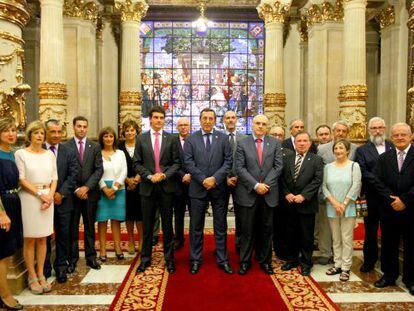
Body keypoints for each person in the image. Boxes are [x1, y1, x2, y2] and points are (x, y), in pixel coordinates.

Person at [184, 108, 233, 274]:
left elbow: (228, 161)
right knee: (196, 227)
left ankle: (222, 259)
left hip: (219, 189)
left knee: (220, 226)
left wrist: (215, 179)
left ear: (215, 120)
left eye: (210, 118)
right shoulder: (191, 139)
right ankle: (196, 260)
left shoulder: (223, 138)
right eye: (204, 118)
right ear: (200, 120)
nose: (207, 121)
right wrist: (203, 179)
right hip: (198, 188)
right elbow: (188, 162)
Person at [134, 106, 180, 274]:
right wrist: (149, 176)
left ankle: (169, 260)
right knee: (148, 226)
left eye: (161, 118)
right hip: (147, 188)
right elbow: (136, 163)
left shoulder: (172, 139)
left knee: (168, 226)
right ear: (150, 119)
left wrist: (164, 175)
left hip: (166, 187)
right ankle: (145, 259)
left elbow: (177, 162)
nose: (159, 120)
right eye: (156, 117)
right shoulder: (141, 139)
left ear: (164, 120)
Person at [235, 114, 283, 275]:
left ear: (267, 127)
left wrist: (265, 185)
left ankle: (265, 262)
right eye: (257, 123)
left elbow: (278, 167)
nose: (261, 126)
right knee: (247, 231)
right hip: (248, 193)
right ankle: (245, 262)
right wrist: (256, 185)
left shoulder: (275, 143)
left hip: (268, 194)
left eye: (264, 124)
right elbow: (240, 168)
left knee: (267, 230)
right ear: (252, 125)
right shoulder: (242, 143)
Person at [15, 121, 58, 294]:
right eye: (36, 133)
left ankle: (41, 274)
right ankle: (31, 276)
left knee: (43, 238)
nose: (40, 136)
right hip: (30, 198)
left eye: (42, 133)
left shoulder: (49, 155)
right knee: (30, 238)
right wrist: (41, 195)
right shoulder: (21, 154)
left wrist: (50, 197)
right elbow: (22, 179)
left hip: (48, 198)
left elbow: (54, 178)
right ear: (30, 135)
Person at [373, 123, 414, 296]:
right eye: (396, 135)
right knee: (389, 243)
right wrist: (393, 199)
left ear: (411, 136)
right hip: (389, 209)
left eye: (403, 134)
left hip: (412, 209)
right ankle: (389, 276)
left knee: (412, 246)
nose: (399, 137)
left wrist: (404, 200)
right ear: (391, 137)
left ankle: (411, 280)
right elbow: (377, 181)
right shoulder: (384, 158)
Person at [281, 132, 323, 276]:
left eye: (305, 140)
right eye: (299, 141)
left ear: (310, 143)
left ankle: (306, 262)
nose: (302, 143)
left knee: (306, 235)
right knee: (289, 233)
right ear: (295, 143)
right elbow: (282, 178)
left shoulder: (317, 160)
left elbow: (317, 180)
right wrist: (287, 193)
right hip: (289, 203)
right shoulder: (287, 158)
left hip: (307, 204)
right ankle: (291, 260)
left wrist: (304, 196)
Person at [355, 117, 393, 272]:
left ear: (385, 128)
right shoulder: (362, 150)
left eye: (380, 127)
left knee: (389, 232)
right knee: (370, 231)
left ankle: (387, 263)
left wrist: (388, 191)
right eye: (374, 128)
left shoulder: (393, 146)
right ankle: (369, 261)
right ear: (368, 130)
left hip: (391, 197)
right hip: (370, 197)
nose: (377, 131)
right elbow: (363, 172)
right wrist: (382, 187)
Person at [316, 120, 357, 265]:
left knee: (345, 233)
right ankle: (326, 252)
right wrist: (325, 194)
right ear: (333, 132)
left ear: (347, 133)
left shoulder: (355, 149)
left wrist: (347, 199)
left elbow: (356, 176)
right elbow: (319, 172)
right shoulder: (322, 148)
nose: (340, 133)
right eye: (337, 131)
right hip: (327, 194)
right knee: (326, 227)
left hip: (347, 196)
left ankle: (342, 261)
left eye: (343, 131)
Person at [43, 119, 79, 284]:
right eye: (53, 132)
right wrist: (48, 195)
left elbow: (73, 174)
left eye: (59, 132)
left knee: (63, 235)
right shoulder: (38, 150)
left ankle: (61, 268)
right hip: (42, 201)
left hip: (63, 201)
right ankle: (44, 268)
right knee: (43, 236)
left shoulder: (69, 150)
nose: (57, 135)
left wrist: (61, 193)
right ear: (45, 132)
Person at [66, 116, 103, 272]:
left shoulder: (94, 146)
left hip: (90, 194)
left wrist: (86, 187)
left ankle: (91, 258)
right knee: (72, 228)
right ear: (73, 127)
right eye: (79, 126)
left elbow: (99, 169)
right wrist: (76, 189)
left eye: (84, 126)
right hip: (72, 195)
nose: (81, 129)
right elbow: (65, 171)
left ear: (87, 128)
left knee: (89, 227)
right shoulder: (65, 146)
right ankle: (72, 259)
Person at [323, 139, 362, 282]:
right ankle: (337, 264)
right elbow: (324, 187)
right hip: (332, 206)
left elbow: (356, 185)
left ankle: (346, 267)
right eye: (336, 148)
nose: (338, 151)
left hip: (348, 207)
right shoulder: (328, 167)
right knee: (336, 237)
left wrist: (343, 204)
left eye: (341, 148)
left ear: (347, 151)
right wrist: (334, 203)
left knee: (346, 238)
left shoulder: (354, 166)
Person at [0, 117, 23, 309]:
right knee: (3, 253)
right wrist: (1, 213)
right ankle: (4, 295)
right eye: (6, 130)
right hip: (3, 207)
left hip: (13, 203)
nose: (11, 134)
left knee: (8, 252)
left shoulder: (12, 153)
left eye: (13, 130)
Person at [96, 127, 128, 261]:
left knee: (116, 220)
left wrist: (114, 188)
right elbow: (96, 171)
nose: (108, 139)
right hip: (102, 189)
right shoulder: (97, 153)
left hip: (118, 189)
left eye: (111, 136)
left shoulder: (120, 153)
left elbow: (124, 171)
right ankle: (102, 250)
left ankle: (118, 248)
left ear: (114, 138)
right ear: (102, 138)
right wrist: (105, 188)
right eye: (106, 136)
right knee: (102, 221)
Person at [223, 110, 246, 253]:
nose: (231, 120)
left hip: (240, 182)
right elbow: (216, 160)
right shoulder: (218, 137)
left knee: (241, 216)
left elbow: (246, 160)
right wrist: (224, 178)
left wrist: (238, 176)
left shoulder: (244, 138)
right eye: (228, 118)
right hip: (222, 182)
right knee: (220, 216)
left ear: (236, 120)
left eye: (233, 118)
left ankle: (240, 244)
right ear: (223, 121)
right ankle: (222, 247)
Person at [118, 120, 143, 255]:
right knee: (129, 215)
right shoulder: (119, 146)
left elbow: (146, 162)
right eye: (127, 130)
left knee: (140, 215)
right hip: (125, 184)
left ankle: (142, 242)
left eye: (132, 130)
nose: (130, 132)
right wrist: (127, 180)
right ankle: (131, 241)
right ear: (123, 132)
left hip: (141, 184)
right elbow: (117, 166)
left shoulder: (142, 144)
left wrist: (137, 179)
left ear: (136, 131)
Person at [269, 125, 293, 261]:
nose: (277, 138)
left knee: (282, 225)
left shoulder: (289, 153)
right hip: (266, 192)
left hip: (283, 195)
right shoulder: (263, 151)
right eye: (274, 135)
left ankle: (281, 251)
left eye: (280, 135)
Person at [314, 124, 332, 252]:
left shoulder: (335, 149)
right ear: (317, 136)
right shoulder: (314, 150)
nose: (324, 136)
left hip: (331, 189)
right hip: (316, 190)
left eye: (326, 134)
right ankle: (316, 241)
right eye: (321, 134)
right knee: (318, 220)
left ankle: (329, 246)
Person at [173, 117, 191, 250]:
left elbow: (199, 161)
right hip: (177, 184)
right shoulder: (172, 142)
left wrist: (190, 175)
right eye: (181, 125)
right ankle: (178, 239)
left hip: (193, 184)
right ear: (177, 127)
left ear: (189, 127)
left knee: (195, 215)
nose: (183, 127)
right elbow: (170, 161)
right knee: (178, 214)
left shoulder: (195, 141)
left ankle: (194, 239)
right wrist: (182, 175)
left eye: (185, 125)